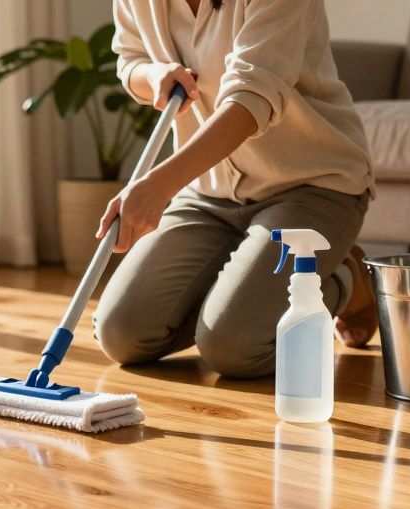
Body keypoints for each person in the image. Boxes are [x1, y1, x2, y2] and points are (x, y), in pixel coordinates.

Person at [93, 0, 377, 378]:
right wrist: (153, 74)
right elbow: (129, 59)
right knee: (121, 333)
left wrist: (158, 186)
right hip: (208, 192)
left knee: (235, 348)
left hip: (310, 184)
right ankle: (248, 281)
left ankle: (350, 279)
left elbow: (251, 96)